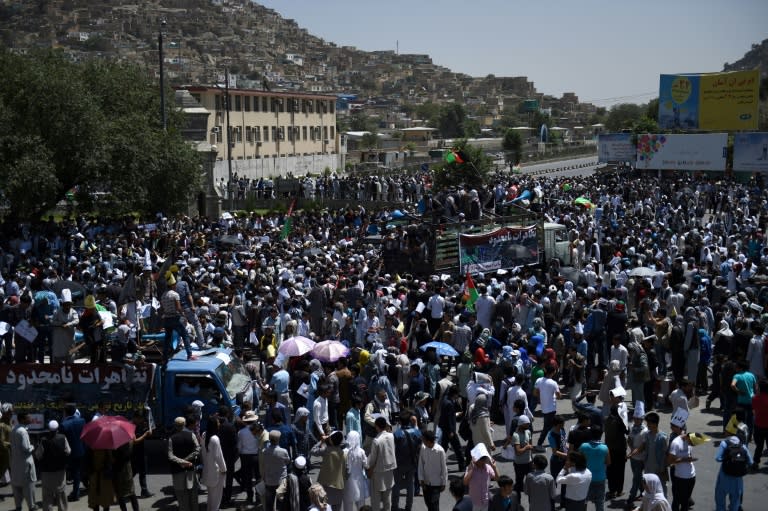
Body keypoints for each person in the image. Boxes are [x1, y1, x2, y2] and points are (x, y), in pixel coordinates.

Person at [35, 419, 70, 511]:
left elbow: (38, 455)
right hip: (60, 472)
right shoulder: (63, 438)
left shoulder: (43, 440)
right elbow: (68, 451)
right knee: (61, 494)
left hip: (47, 473)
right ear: (57, 429)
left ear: (48, 429)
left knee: (47, 496)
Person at [160, 273, 195, 364]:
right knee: (185, 335)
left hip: (166, 319)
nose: (175, 286)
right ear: (172, 285)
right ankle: (189, 355)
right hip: (175, 318)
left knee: (167, 339)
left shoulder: (163, 295)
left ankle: (165, 357)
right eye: (175, 284)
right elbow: (178, 308)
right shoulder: (175, 295)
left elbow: (162, 309)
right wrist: (183, 314)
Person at [714, 427, 752, 511]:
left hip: (724, 476)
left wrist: (727, 458)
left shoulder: (724, 443)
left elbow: (718, 458)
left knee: (720, 502)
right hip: (737, 479)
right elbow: (751, 462)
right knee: (735, 504)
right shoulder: (743, 446)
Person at [168, 416, 200, 511]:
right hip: (190, 471)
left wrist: (182, 462)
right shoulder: (192, 435)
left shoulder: (171, 438)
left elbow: (170, 455)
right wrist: (187, 460)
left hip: (178, 472)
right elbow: (197, 449)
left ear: (175, 426)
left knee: (182, 499)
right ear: (185, 424)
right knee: (193, 497)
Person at [393, 411, 422, 511]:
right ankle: (408, 507)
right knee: (410, 484)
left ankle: (395, 507)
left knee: (396, 485)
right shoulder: (417, 432)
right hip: (412, 462)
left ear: (400, 421)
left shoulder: (396, 434)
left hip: (399, 463)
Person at [367, 416, 397, 511]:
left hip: (378, 472)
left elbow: (372, 460)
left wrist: (368, 468)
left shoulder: (376, 440)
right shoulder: (391, 436)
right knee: (387, 498)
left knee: (376, 499)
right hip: (390, 470)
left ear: (376, 426)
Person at [666, 418, 695, 511]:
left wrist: (688, 459)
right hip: (676, 471)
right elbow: (670, 460)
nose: (671, 428)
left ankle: (687, 500)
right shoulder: (674, 439)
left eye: (673, 426)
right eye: (671, 426)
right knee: (676, 495)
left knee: (684, 498)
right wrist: (685, 459)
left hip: (689, 475)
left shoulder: (688, 439)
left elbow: (690, 454)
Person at [312, 430, 346, 511]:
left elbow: (313, 451)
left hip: (325, 486)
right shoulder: (344, 453)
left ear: (331, 440)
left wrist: (321, 441)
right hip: (339, 486)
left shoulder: (327, 450)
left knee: (325, 507)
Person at [10, 411, 37, 511]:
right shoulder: (23, 431)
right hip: (25, 463)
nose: (30, 419)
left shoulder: (14, 429)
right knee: (29, 487)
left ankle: (18, 507)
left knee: (17, 487)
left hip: (15, 462)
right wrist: (33, 446)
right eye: (28, 417)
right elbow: (26, 448)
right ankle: (32, 506)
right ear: (22, 419)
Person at [579, 424, 609, 511]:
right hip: (600, 478)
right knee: (600, 503)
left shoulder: (583, 446)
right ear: (601, 434)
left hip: (586, 478)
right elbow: (608, 462)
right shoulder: (605, 448)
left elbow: (579, 459)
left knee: (584, 501)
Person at [463, 443, 499, 511]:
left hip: (485, 502)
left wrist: (494, 468)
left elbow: (497, 479)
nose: (483, 462)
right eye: (481, 460)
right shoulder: (470, 468)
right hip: (473, 503)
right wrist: (472, 469)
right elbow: (465, 482)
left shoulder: (488, 468)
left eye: (484, 459)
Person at [201, 417, 227, 511]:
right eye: (218, 422)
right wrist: (224, 469)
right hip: (216, 472)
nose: (219, 424)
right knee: (216, 499)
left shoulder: (204, 435)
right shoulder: (215, 439)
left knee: (211, 497)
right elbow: (219, 457)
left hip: (207, 470)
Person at [61, 404, 86, 502]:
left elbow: (62, 440)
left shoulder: (64, 424)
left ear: (66, 412)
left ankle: (75, 494)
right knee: (77, 473)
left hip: (70, 453)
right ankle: (76, 491)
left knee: (74, 473)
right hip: (81, 450)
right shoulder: (82, 421)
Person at [261, 430, 291, 511]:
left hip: (269, 479)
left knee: (269, 502)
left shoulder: (265, 451)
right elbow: (287, 461)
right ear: (278, 439)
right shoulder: (283, 451)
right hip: (281, 479)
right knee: (281, 502)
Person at [418, 430, 447, 511]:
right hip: (426, 482)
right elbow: (421, 464)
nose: (422, 441)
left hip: (436, 483)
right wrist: (421, 479)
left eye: (423, 440)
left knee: (434, 504)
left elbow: (444, 468)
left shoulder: (440, 451)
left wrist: (444, 483)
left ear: (428, 441)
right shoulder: (423, 448)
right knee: (428, 503)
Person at [626, 402, 649, 507]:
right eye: (635, 418)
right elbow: (629, 439)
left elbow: (643, 446)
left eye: (639, 419)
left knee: (636, 478)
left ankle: (631, 498)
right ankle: (643, 492)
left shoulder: (645, 431)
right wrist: (631, 449)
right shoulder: (631, 427)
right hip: (633, 458)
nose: (636, 420)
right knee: (638, 477)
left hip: (641, 458)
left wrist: (633, 452)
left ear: (642, 419)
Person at [641, 412, 668, 497]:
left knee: (661, 488)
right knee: (649, 488)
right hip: (648, 467)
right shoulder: (647, 435)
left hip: (659, 469)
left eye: (649, 423)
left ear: (655, 424)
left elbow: (665, 454)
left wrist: (662, 468)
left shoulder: (662, 437)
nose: (647, 425)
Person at [604, 404, 628, 500]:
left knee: (611, 470)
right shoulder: (620, 421)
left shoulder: (606, 419)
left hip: (609, 449)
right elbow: (627, 431)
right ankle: (619, 491)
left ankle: (611, 490)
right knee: (620, 471)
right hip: (619, 449)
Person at [534, 364, 561, 447]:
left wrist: (541, 397)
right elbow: (559, 396)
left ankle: (557, 441)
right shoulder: (553, 383)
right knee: (547, 427)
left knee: (552, 425)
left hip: (544, 407)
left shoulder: (538, 380)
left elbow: (535, 392)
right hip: (551, 408)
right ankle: (539, 443)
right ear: (553, 372)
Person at [343, 430, 370, 511]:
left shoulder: (344, 451)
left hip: (347, 481)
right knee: (361, 504)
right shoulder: (361, 451)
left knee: (348, 505)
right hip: (359, 480)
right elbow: (366, 465)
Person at [238, 411, 261, 504]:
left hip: (245, 457)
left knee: (247, 477)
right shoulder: (258, 430)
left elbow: (239, 446)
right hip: (256, 455)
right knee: (258, 477)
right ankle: (258, 496)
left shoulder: (241, 432)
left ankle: (250, 497)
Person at [130, 411, 153, 499]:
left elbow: (145, 433)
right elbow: (135, 441)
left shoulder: (140, 424)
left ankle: (144, 491)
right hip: (135, 453)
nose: (141, 421)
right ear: (136, 418)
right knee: (133, 472)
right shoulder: (131, 426)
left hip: (141, 451)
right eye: (140, 419)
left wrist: (148, 432)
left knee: (142, 472)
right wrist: (145, 435)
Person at [752, 378, 768, 470]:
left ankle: (755, 462)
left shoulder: (755, 398)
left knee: (759, 446)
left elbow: (754, 411)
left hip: (758, 425)